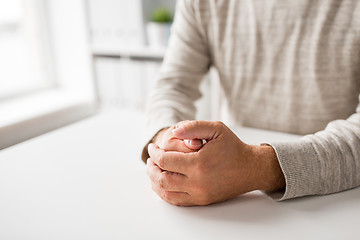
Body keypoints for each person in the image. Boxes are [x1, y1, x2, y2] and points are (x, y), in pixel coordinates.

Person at [141, 0, 360, 206]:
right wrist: (169, 139)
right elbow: (173, 86)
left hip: (337, 201)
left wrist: (257, 168)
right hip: (230, 201)